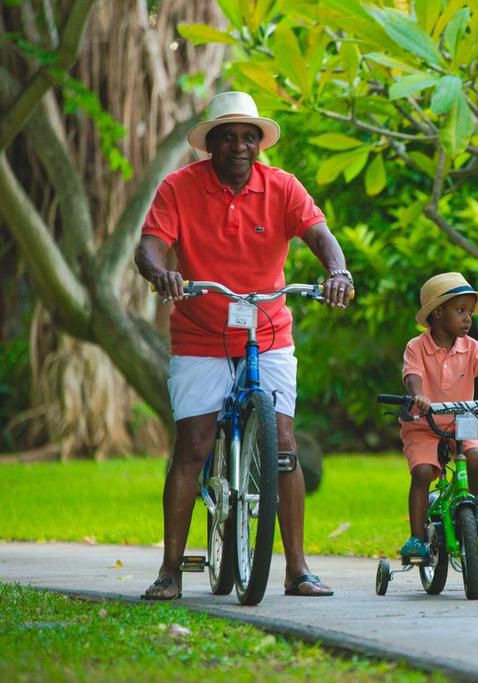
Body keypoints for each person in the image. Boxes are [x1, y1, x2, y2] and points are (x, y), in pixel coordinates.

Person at [135, 91, 354, 599]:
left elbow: (320, 235)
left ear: (260, 143)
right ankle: (169, 570)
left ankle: (297, 570)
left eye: (248, 137)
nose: (239, 146)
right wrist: (161, 272)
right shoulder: (179, 187)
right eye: (229, 137)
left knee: (284, 445)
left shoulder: (283, 186)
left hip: (268, 330)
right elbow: (149, 246)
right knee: (192, 446)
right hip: (200, 334)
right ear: (210, 144)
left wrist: (338, 272)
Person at [399, 272, 478, 563]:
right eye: (460, 311)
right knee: (422, 473)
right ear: (437, 313)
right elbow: (412, 375)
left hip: (460, 422)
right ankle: (417, 538)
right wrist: (419, 396)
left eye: (470, 312)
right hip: (425, 424)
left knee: (476, 456)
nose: (468, 318)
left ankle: (477, 503)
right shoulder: (416, 347)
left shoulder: (470, 347)